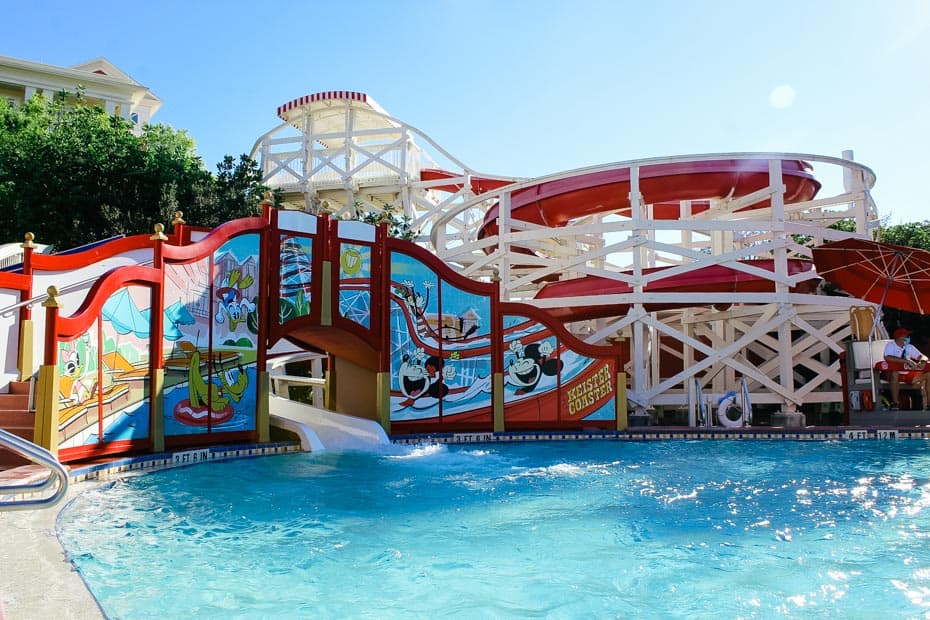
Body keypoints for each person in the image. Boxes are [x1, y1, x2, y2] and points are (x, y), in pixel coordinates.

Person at [883, 328, 930, 410]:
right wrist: (906, 361)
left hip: (908, 375)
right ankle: (895, 403)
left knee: (929, 375)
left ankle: (929, 404)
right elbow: (888, 357)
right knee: (894, 373)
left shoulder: (909, 347)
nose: (908, 338)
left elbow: (923, 356)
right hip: (894, 374)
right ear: (900, 337)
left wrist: (923, 361)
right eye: (906, 336)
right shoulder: (890, 345)